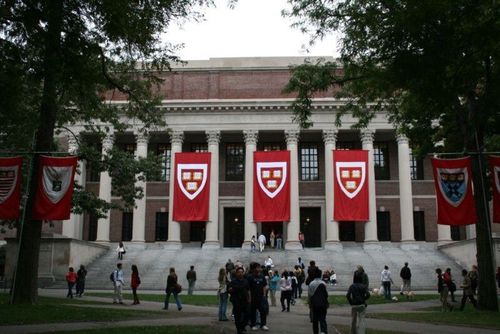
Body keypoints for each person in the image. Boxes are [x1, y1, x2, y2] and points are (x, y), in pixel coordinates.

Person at [247, 262, 269, 331]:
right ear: (254, 269)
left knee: (263, 311)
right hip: (253, 297)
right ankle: (253, 325)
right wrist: (249, 298)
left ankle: (263, 324)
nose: (259, 269)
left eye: (259, 267)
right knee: (253, 312)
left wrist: (264, 295)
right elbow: (248, 289)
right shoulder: (250, 277)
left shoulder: (262, 276)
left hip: (261, 297)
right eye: (258, 267)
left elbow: (264, 286)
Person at [228, 266, 250, 334]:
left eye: (241, 272)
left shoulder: (246, 281)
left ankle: (243, 326)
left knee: (247, 315)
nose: (240, 273)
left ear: (243, 273)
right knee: (238, 316)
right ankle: (239, 330)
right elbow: (229, 289)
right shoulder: (233, 281)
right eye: (239, 272)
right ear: (236, 273)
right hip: (236, 301)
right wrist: (231, 290)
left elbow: (248, 290)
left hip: (245, 301)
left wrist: (249, 298)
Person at [308, 267, 329, 334]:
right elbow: (326, 294)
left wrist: (310, 305)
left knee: (315, 321)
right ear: (320, 275)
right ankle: (323, 331)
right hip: (323, 304)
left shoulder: (311, 284)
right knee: (323, 319)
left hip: (314, 305)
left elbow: (310, 295)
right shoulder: (323, 283)